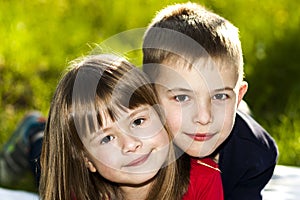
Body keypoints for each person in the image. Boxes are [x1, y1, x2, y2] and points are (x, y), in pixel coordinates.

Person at [39, 53, 225, 199]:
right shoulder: (79, 194)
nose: (130, 144)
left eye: (138, 121)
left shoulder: (203, 180)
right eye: (107, 138)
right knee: (41, 153)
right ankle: (34, 132)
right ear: (87, 159)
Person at [142, 2, 278, 200]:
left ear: (238, 96)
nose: (204, 117)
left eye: (220, 96)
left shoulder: (254, 155)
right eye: (182, 97)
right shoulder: (135, 142)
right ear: (149, 95)